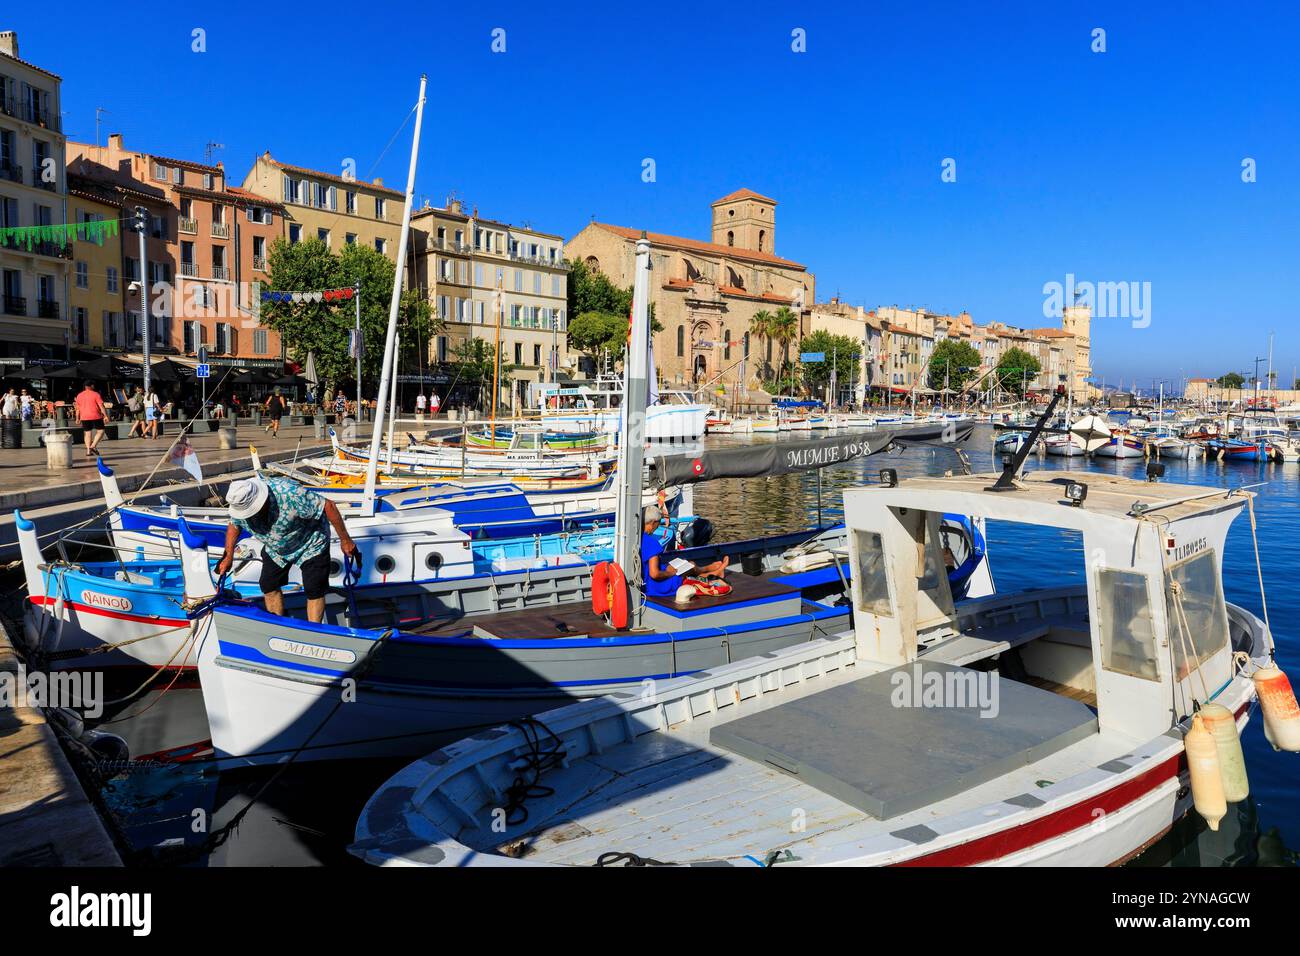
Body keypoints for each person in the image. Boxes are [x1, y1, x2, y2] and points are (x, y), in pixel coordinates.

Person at [216, 475, 358, 624]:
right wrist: (228, 556)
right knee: (268, 584)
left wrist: (345, 540)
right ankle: (278, 624)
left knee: (314, 588)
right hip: (276, 547)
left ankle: (314, 630)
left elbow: (329, 506)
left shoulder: (289, 494)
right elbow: (234, 524)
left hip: (310, 542)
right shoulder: (239, 501)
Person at [641, 494, 726, 598]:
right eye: (658, 523)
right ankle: (714, 571)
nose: (658, 526)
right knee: (688, 567)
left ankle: (712, 570)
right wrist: (671, 573)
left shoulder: (637, 538)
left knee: (686, 564)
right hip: (656, 587)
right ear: (653, 522)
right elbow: (654, 574)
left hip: (647, 582)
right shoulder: (651, 543)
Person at [74, 382, 107, 457]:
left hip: (84, 416)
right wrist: (105, 416)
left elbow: (77, 409)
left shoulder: (79, 395)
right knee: (101, 431)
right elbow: (101, 406)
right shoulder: (96, 394)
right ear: (92, 386)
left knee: (87, 433)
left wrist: (77, 418)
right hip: (96, 416)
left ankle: (88, 451)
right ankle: (93, 445)